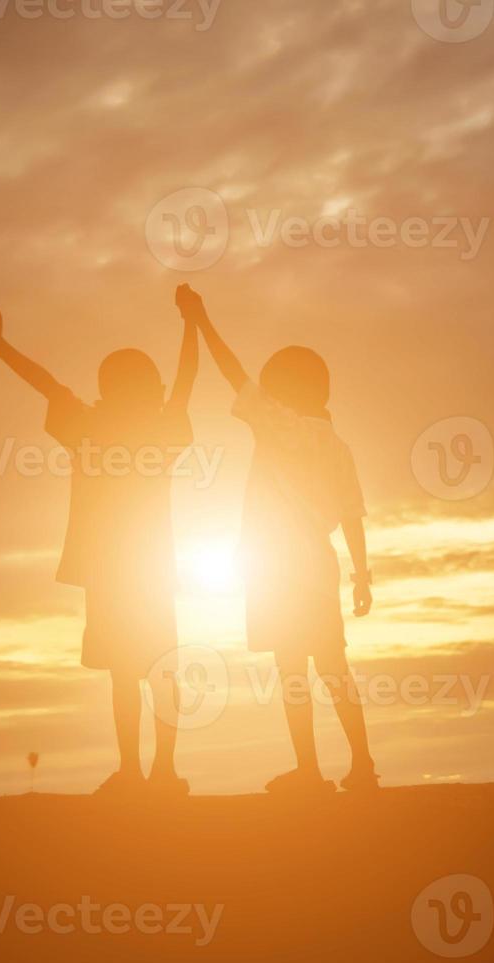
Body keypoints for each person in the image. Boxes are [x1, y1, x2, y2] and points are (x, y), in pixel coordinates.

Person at [0, 296, 198, 796]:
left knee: (125, 673)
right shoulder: (161, 426)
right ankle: (162, 772)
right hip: (151, 570)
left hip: (110, 572)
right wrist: (192, 323)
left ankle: (135, 771)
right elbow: (186, 381)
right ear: (148, 390)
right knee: (159, 670)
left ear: (107, 390)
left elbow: (45, 382)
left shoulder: (89, 425)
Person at [175, 285, 379, 793]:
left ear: (284, 392)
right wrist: (362, 577)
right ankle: (362, 766)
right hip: (320, 561)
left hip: (279, 567)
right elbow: (353, 515)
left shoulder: (280, 426)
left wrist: (199, 318)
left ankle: (309, 771)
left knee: (291, 668)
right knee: (334, 666)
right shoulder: (338, 445)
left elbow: (230, 371)